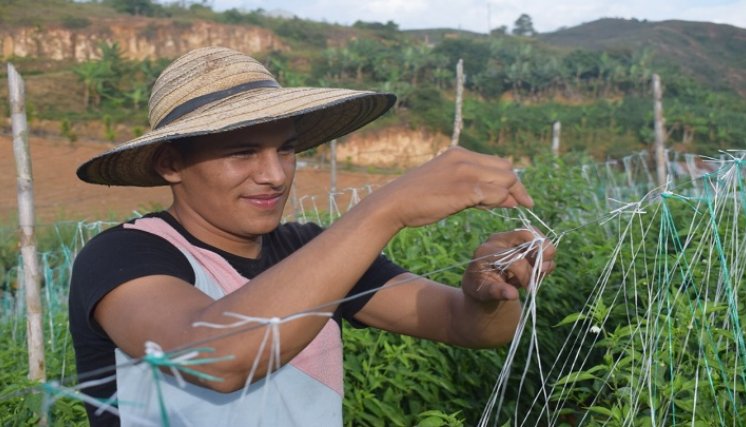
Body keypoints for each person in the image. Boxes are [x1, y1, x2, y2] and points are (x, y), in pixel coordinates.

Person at [69, 46, 556, 426]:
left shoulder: (307, 250)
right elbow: (213, 358)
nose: (275, 175)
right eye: (242, 153)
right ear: (170, 163)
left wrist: (488, 293)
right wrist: (386, 208)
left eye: (286, 150)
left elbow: (469, 328)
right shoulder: (125, 255)